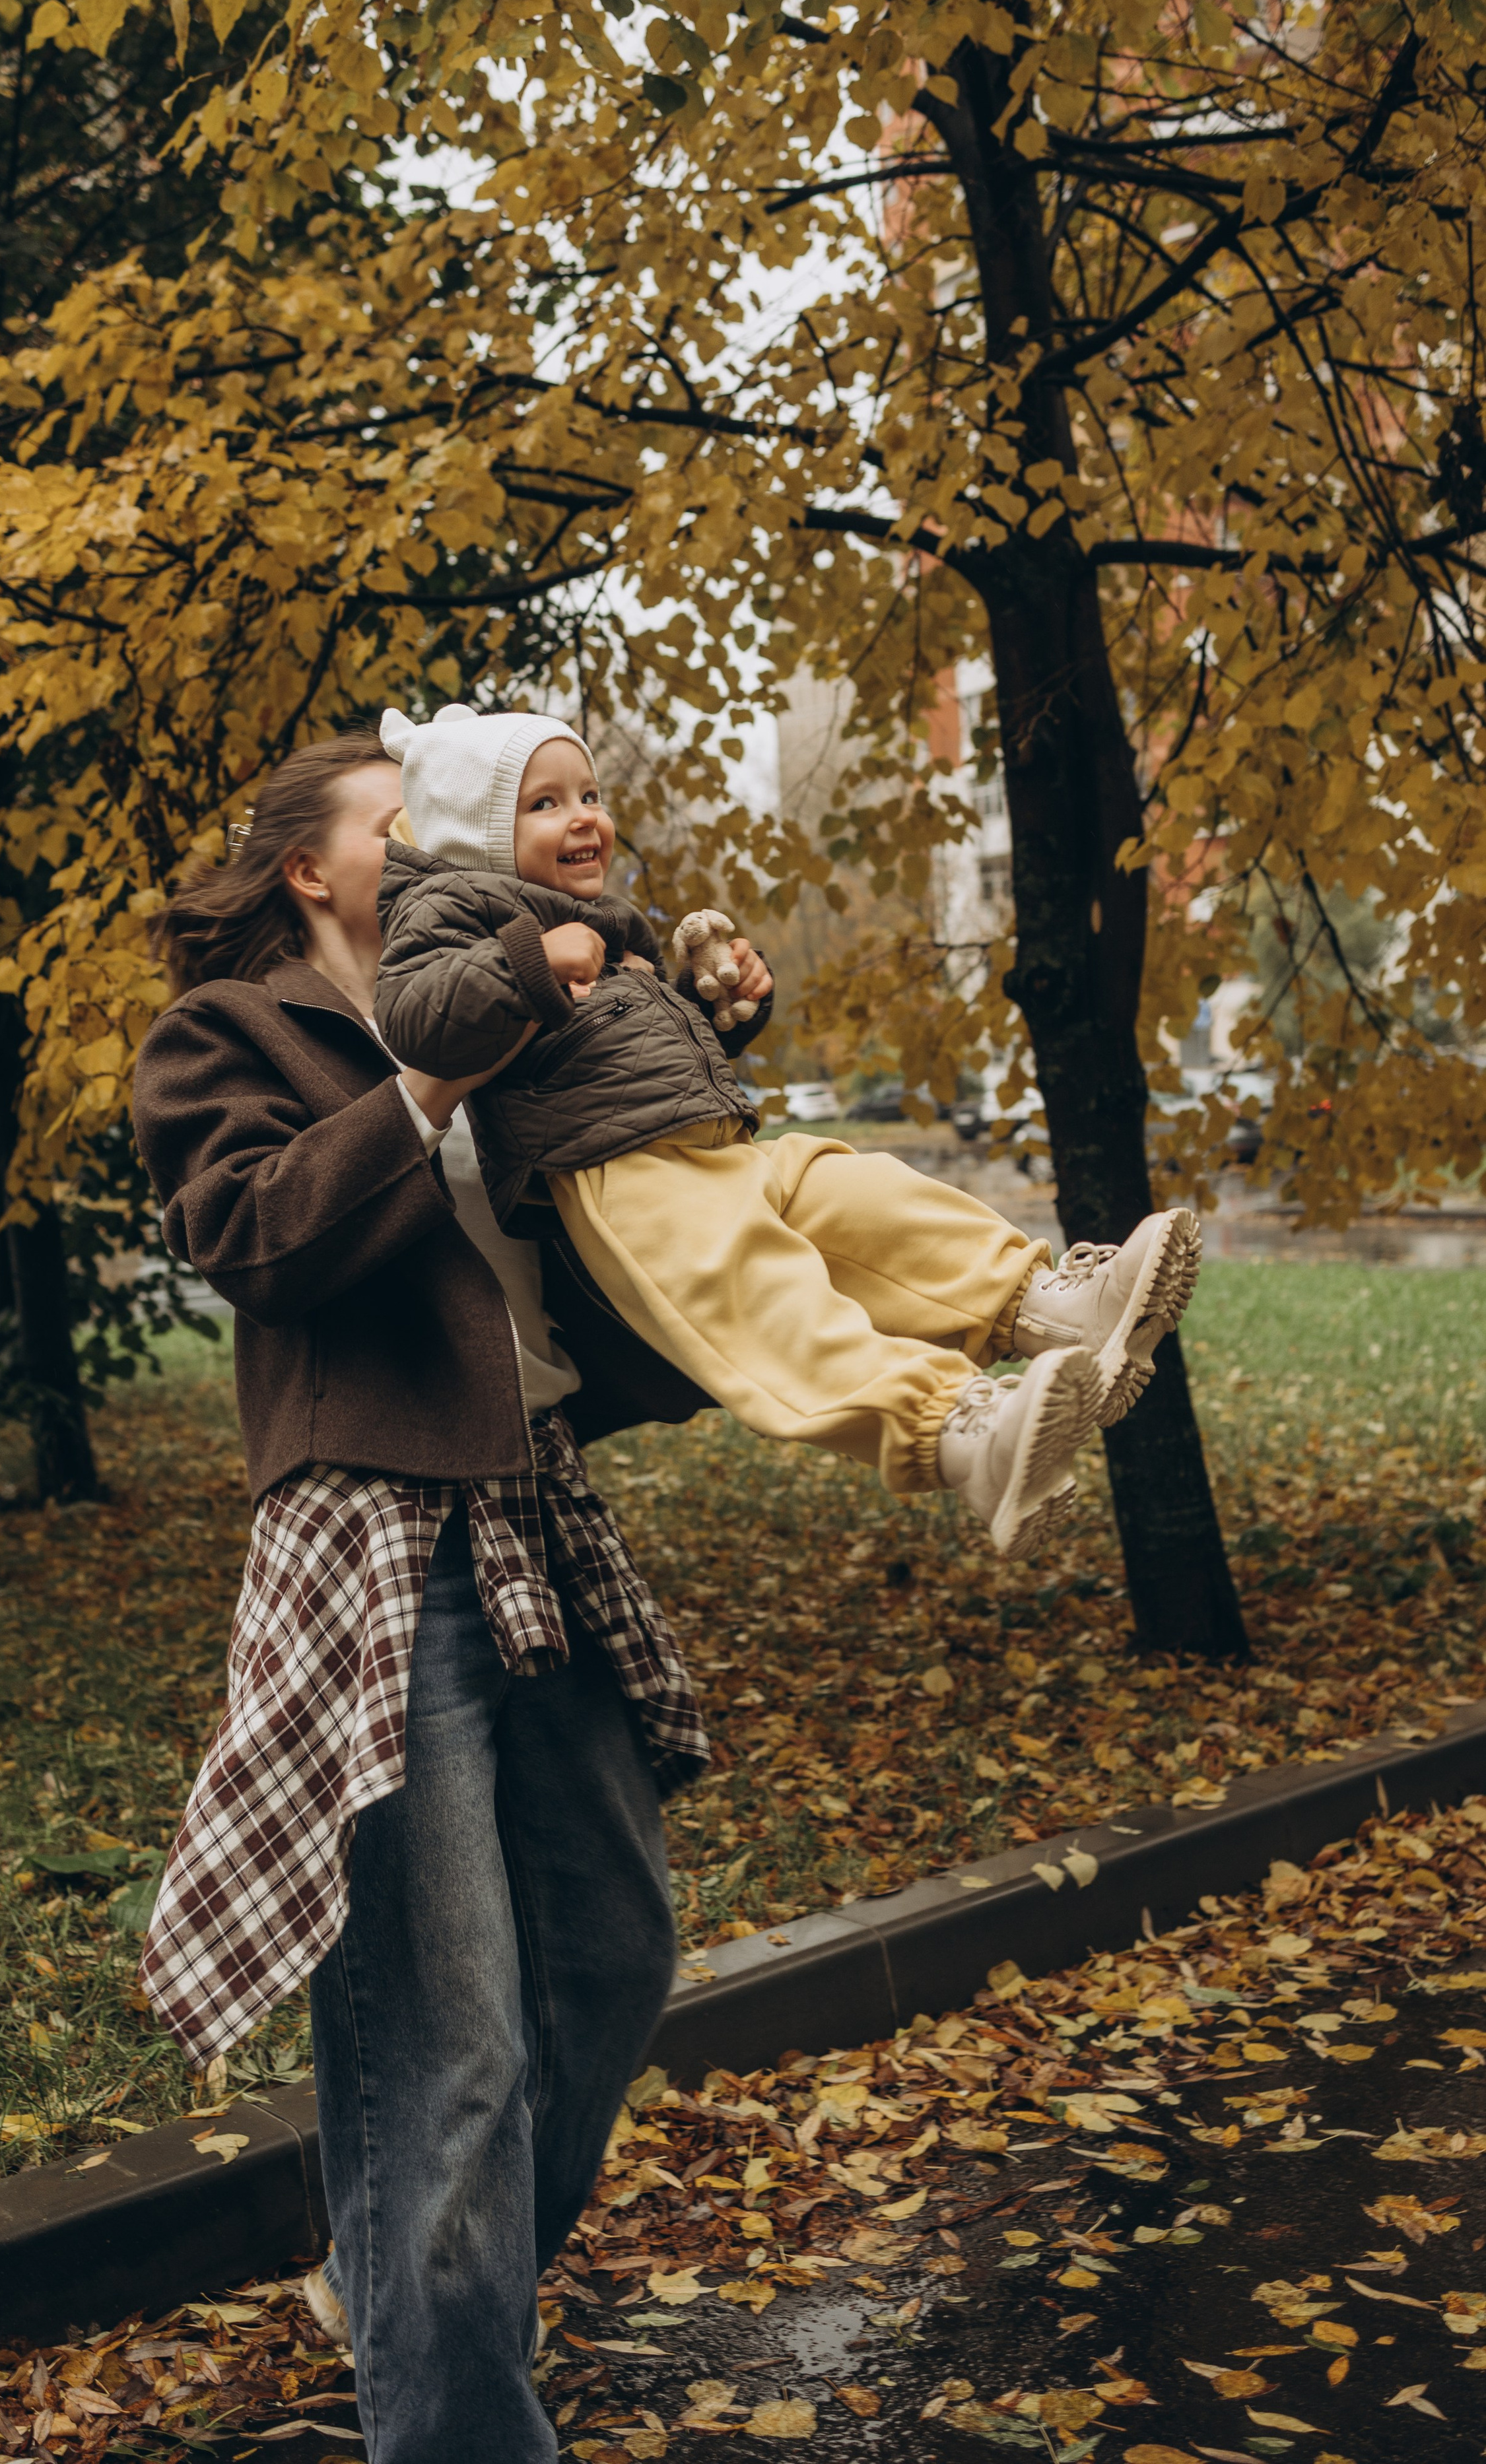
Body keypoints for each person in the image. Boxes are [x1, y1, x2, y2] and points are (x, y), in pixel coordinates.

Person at [129, 729, 767, 2464]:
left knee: (620, 1948)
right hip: (373, 1551)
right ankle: (461, 2415)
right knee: (456, 2044)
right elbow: (253, 1233)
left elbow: (612, 1160)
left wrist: (708, 1009)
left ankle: (406, 2287)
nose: (423, 861)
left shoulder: (475, 998)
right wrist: (422, 1089)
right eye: (391, 837)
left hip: (537, 1517)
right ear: (306, 874)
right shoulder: (231, 1039)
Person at [374, 702, 1201, 1562]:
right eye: (544, 804)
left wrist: (714, 1009)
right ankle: (957, 1431)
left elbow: (620, 1048)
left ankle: (1050, 1309)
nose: (585, 815)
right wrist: (528, 965)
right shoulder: (450, 910)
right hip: (619, 1179)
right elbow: (417, 1018)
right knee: (771, 1305)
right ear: (471, 833)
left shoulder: (599, 921)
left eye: (588, 793)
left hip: (707, 1144)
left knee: (869, 1195)